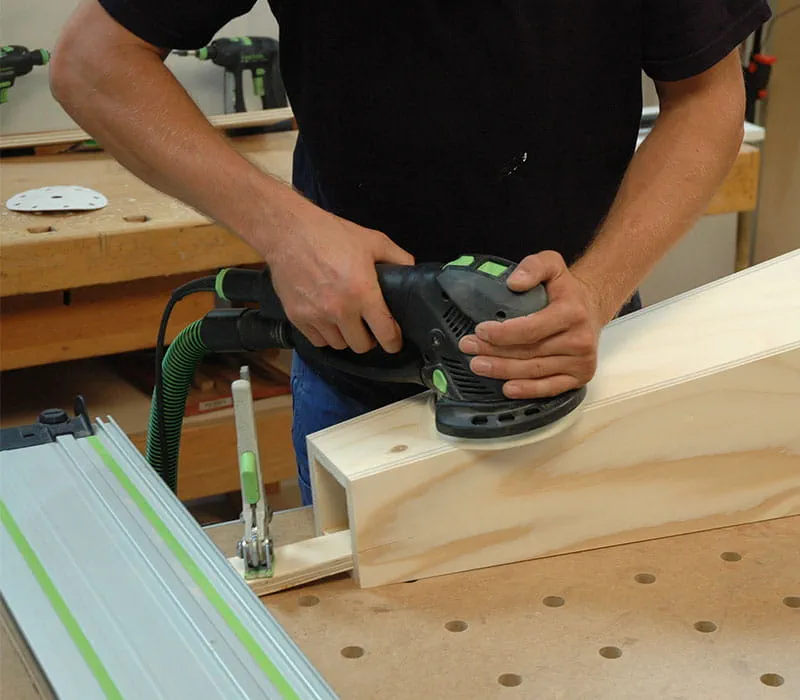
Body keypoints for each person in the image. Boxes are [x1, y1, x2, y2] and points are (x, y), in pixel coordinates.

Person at [51, 0, 771, 504]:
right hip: (359, 366)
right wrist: (287, 231)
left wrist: (596, 289)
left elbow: (706, 96)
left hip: (578, 352)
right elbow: (94, 62)